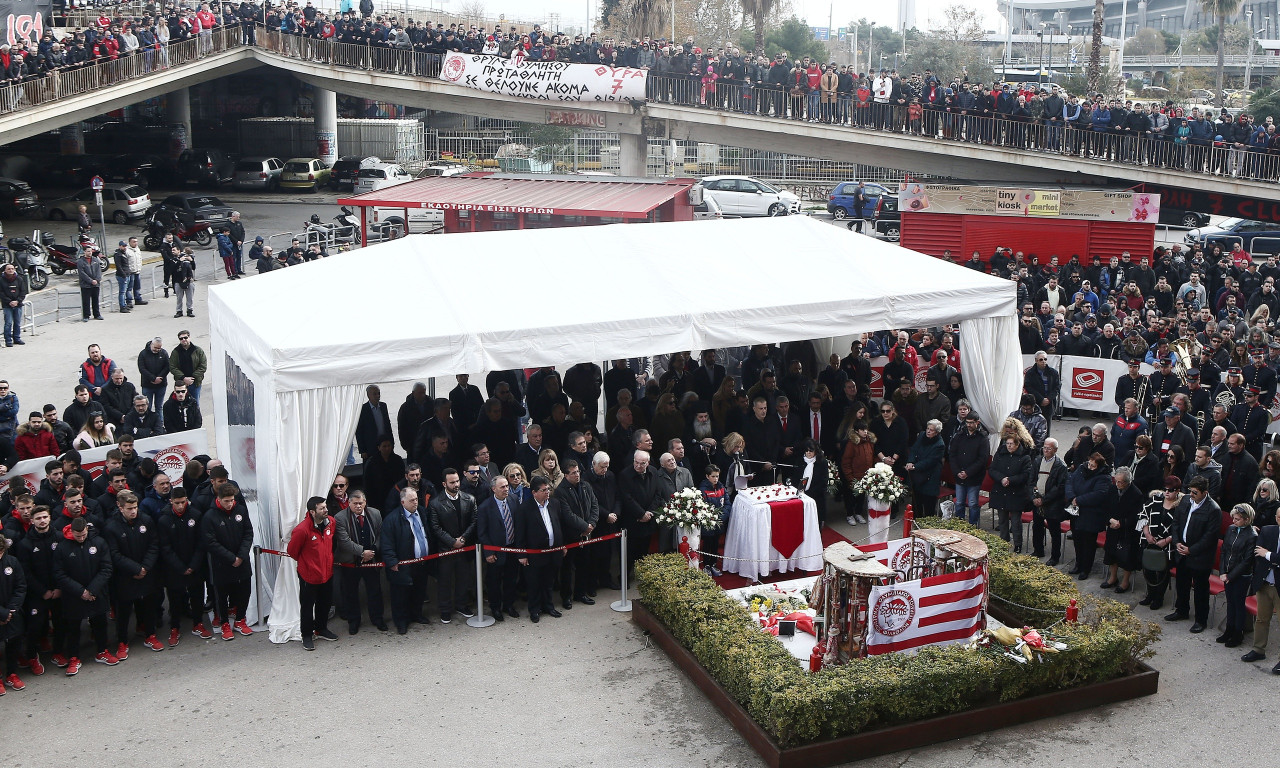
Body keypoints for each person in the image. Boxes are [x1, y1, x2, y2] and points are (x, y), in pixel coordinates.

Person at [515, 475, 587, 623]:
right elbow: (520, 532)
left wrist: (563, 546)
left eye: (548, 489)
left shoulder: (554, 503)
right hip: (534, 554)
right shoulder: (524, 508)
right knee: (534, 583)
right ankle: (534, 610)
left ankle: (548, 606)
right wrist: (521, 553)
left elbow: (560, 526)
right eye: (543, 490)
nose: (547, 492)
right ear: (534, 492)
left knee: (549, 581)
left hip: (554, 551)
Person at [105, 490, 164, 659]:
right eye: (129, 508)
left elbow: (154, 544)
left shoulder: (146, 520)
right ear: (120, 507)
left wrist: (145, 567)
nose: (133, 511)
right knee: (123, 611)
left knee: (149, 606)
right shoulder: (111, 527)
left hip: (147, 573)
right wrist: (134, 569)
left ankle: (150, 635)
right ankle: (122, 642)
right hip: (125, 577)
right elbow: (114, 554)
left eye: (135, 507)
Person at [53, 517, 114, 675]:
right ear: (71, 531)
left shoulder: (99, 542)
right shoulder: (62, 548)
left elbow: (106, 568)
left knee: (100, 623)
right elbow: (60, 574)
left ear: (87, 530)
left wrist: (92, 590)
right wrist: (81, 592)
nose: (81, 538)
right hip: (74, 596)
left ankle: (102, 651)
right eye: (77, 535)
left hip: (96, 592)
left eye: (83, 534)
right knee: (73, 628)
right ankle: (74, 657)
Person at [1167, 475, 1221, 633]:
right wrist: (1177, 542)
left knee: (1200, 589)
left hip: (1200, 557)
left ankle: (1200, 620)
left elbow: (1210, 537)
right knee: (1182, 583)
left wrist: (1191, 549)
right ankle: (1181, 610)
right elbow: (1176, 522)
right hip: (1182, 551)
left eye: (1195, 492)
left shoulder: (1213, 510)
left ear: (1205, 492)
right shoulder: (1185, 501)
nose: (1191, 495)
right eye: (1190, 491)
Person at [200, 484, 254, 641]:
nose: (230, 504)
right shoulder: (210, 516)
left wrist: (241, 555)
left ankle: (240, 619)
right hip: (221, 563)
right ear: (218, 499)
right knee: (221, 595)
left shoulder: (241, 510)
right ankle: (224, 623)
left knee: (245, 591)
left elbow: (248, 533)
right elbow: (210, 542)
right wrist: (231, 558)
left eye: (232, 500)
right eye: (226, 501)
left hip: (242, 560)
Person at [156, 487, 208, 643]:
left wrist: (193, 564)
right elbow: (165, 547)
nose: (180, 506)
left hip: (195, 565)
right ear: (171, 501)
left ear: (187, 500)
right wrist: (180, 567)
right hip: (174, 568)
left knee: (197, 596)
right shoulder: (164, 520)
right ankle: (175, 627)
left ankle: (198, 623)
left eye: (183, 502)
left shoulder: (196, 515)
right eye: (177, 503)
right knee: (175, 599)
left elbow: (201, 542)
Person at [426, 468, 477, 624]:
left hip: (464, 546)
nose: (456, 484)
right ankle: (445, 609)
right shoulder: (435, 503)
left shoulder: (469, 499)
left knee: (464, 578)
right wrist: (451, 541)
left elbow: (474, 521)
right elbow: (435, 527)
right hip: (445, 550)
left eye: (457, 481)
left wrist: (463, 538)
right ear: (444, 484)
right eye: (452, 482)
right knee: (445, 581)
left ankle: (462, 605)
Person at [380, 486, 433, 634]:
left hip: (421, 562)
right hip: (403, 565)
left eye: (416, 499)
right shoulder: (392, 519)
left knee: (419, 592)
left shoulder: (422, 512)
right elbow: (387, 543)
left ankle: (417, 614)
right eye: (411, 500)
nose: (415, 502)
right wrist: (392, 562)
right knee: (400, 596)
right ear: (403, 502)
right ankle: (401, 622)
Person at [287, 497, 337, 650]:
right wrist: (309, 564)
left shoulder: (331, 523)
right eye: (322, 508)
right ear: (312, 512)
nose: (326, 510)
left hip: (327, 573)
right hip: (309, 575)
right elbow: (292, 551)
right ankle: (307, 635)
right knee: (308, 606)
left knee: (325, 602)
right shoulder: (302, 530)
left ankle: (321, 628)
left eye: (325, 507)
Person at [333, 490, 385, 634]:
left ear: (365, 502)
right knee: (350, 593)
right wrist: (362, 552)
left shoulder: (375, 514)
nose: (358, 506)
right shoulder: (340, 518)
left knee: (375, 590)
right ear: (349, 503)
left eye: (360, 503)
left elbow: (381, 534)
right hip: (350, 562)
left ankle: (377, 619)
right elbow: (344, 542)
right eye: (354, 503)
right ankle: (353, 621)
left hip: (371, 560)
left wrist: (373, 550)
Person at [476, 475, 521, 620]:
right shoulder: (485, 507)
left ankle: (509, 605)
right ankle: (495, 608)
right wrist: (488, 552)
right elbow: (482, 533)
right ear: (494, 489)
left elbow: (518, 524)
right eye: (502, 487)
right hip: (495, 551)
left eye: (507, 486)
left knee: (511, 579)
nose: (506, 489)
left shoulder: (513, 500)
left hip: (512, 548)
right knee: (494, 581)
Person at [1242, 514, 1280, 671]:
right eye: (1278, 517)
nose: (1279, 520)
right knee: (1261, 619)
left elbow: (1265, 554)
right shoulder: (1268, 531)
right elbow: (1258, 554)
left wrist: (1269, 555)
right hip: (1264, 583)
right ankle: (1258, 650)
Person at [1066, 452, 1112, 580]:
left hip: (1091, 515)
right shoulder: (1081, 468)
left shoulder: (1104, 477)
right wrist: (1072, 497)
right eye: (1089, 464)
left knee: (1088, 544)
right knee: (1077, 540)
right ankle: (1078, 564)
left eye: (1093, 466)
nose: (1090, 467)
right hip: (1076, 512)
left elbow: (1099, 495)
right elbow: (1069, 482)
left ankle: (1085, 569)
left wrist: (1079, 500)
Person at [1217, 503, 1256, 648]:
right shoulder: (1231, 529)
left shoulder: (1252, 535)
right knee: (1230, 603)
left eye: (1238, 519)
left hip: (1241, 576)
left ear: (1246, 519)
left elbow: (1247, 561)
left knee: (1238, 605)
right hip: (1227, 573)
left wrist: (1230, 576)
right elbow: (1224, 551)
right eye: (1234, 518)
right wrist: (1222, 572)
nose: (1234, 521)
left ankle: (1237, 633)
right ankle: (1229, 629)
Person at [1101, 467, 1144, 594]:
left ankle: (1125, 581)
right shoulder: (1112, 489)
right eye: (1116, 481)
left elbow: (1137, 515)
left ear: (1127, 482)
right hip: (1113, 526)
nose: (1117, 484)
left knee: (1127, 557)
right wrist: (1110, 520)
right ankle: (1112, 577)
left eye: (1120, 482)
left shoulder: (1136, 494)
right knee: (1111, 553)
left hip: (1127, 531)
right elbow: (1105, 506)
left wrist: (1122, 523)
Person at [988, 434, 1034, 553]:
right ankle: (1004, 541)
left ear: (1017, 444)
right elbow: (992, 470)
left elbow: (1026, 475)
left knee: (1015, 522)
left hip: (1016, 493)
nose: (1009, 446)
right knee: (1002, 519)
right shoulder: (1000, 454)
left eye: (1011, 444)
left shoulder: (1025, 457)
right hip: (1001, 490)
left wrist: (1010, 480)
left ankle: (1018, 544)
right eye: (1007, 443)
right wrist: (1002, 478)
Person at [619, 449, 662, 573]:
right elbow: (627, 498)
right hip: (633, 520)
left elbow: (657, 495)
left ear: (648, 463)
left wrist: (649, 512)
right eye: (636, 462)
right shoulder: (625, 475)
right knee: (629, 551)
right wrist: (641, 514)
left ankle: (642, 575)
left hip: (648, 519)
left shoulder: (653, 472)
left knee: (644, 551)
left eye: (642, 463)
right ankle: (625, 577)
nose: (638, 465)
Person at [1031, 438, 1069, 564]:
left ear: (1055, 450)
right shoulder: (1037, 461)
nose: (1046, 450)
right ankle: (1038, 550)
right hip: (1037, 501)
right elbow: (1031, 481)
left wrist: (1044, 500)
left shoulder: (1061, 466)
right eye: (1044, 447)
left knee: (1054, 531)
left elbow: (1060, 488)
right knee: (1037, 527)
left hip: (1053, 504)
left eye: (1049, 448)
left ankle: (1055, 556)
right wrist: (1034, 497)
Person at [949, 412, 990, 525]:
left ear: (977, 422)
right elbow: (952, 454)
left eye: (971, 423)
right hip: (959, 475)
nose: (969, 425)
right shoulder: (959, 435)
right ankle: (959, 524)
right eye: (967, 422)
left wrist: (968, 472)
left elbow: (983, 459)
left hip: (974, 476)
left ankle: (972, 526)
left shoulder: (983, 437)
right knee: (959, 502)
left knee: (972, 503)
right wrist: (957, 471)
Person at [904, 420, 944, 518]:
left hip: (930, 477)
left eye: (931, 430)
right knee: (916, 502)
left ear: (937, 432)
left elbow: (930, 461)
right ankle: (916, 522)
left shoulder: (940, 445)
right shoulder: (922, 435)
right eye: (927, 428)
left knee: (928, 505)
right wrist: (910, 461)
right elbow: (914, 449)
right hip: (917, 476)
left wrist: (915, 466)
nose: (928, 431)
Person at [0, 534, 25, 691]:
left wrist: (9, 611)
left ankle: (12, 674)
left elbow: (20, 587)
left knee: (13, 643)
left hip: (12, 613)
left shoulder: (12, 562)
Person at [169, 331, 207, 403]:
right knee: (180, 404)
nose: (183, 340)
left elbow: (203, 366)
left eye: (185, 337)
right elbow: (172, 367)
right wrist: (183, 378)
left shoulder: (198, 350)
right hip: (181, 384)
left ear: (189, 337)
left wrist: (192, 378)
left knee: (195, 404)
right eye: (181, 338)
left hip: (195, 383)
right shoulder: (175, 352)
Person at [76, 242, 103, 323]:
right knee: (86, 301)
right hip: (86, 285)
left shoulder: (95, 260)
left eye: (91, 251)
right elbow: (82, 273)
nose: (90, 252)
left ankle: (97, 314)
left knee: (95, 300)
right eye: (88, 251)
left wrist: (97, 280)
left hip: (96, 284)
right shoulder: (81, 261)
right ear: (84, 252)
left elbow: (99, 271)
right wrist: (91, 281)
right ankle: (86, 315)